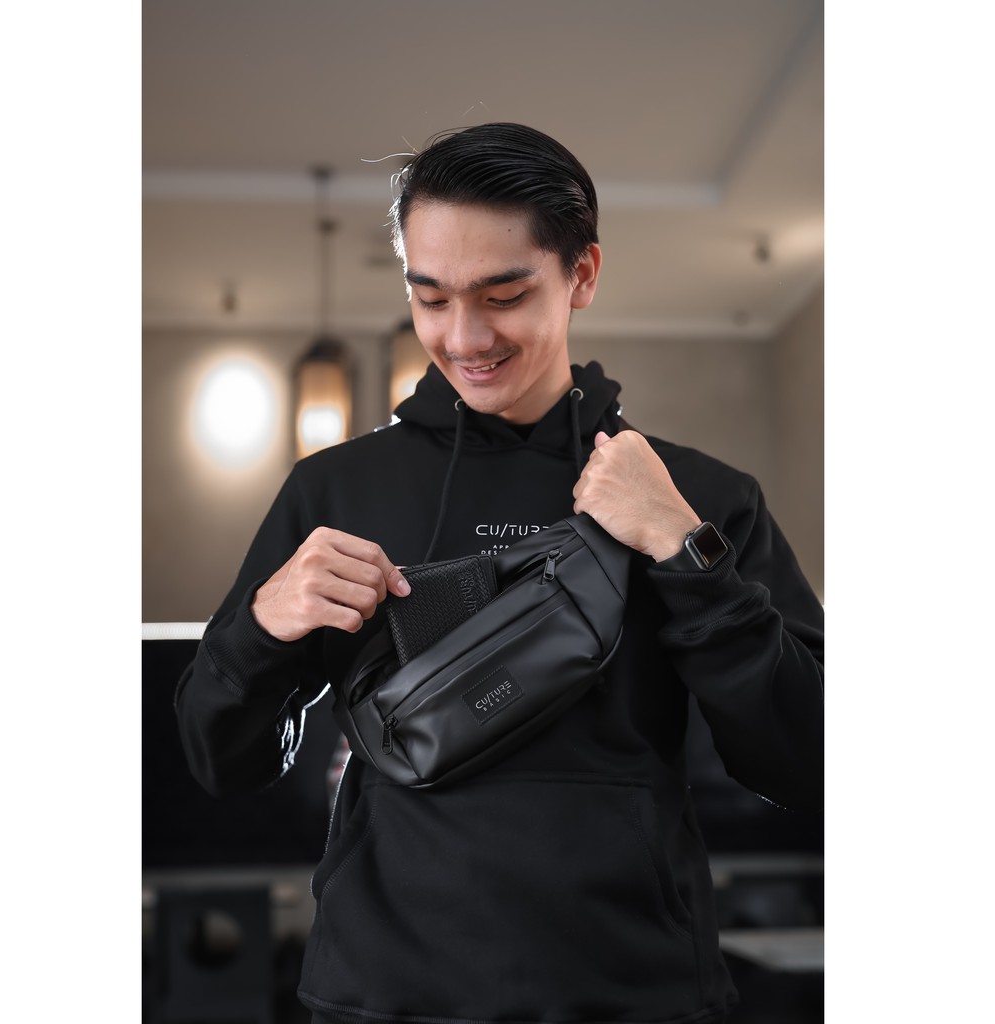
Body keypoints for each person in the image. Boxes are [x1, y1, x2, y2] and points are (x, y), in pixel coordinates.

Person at [175, 122, 824, 1023]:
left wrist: (686, 549)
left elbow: (813, 764)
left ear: (582, 275)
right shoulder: (335, 490)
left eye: (504, 295)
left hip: (638, 998)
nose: (464, 336)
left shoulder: (698, 496)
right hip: (382, 997)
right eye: (430, 297)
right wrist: (260, 627)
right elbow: (221, 761)